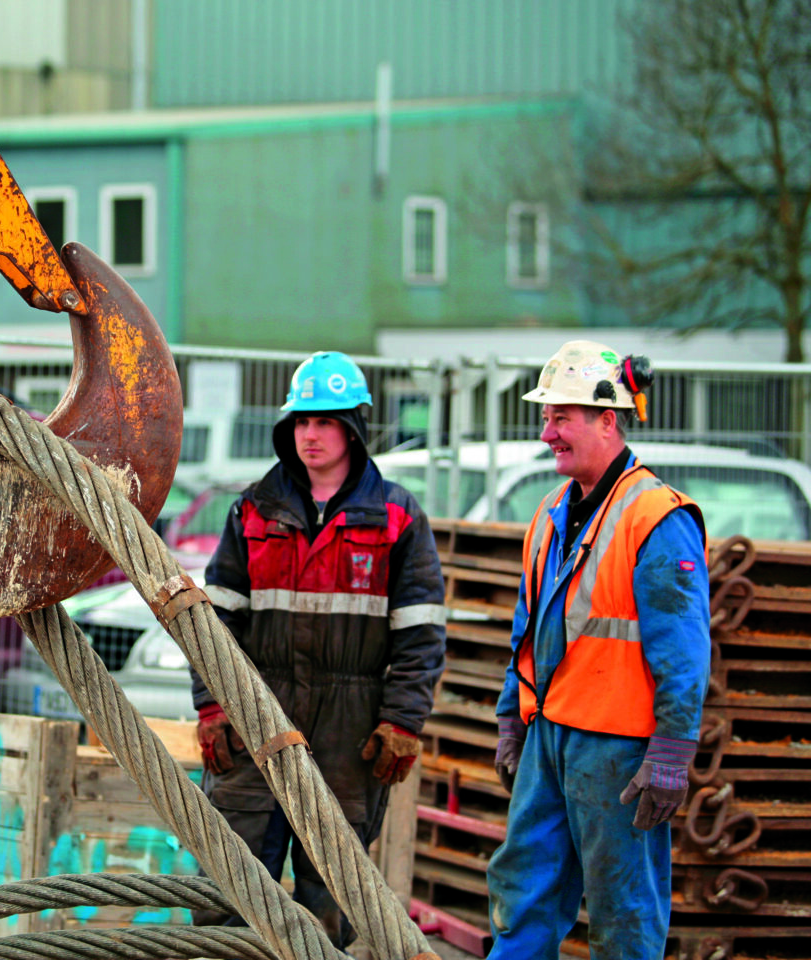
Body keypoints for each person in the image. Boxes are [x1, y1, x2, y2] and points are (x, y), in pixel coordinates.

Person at [190, 350, 446, 947]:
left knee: (331, 900)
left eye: (326, 421)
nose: (311, 434)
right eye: (302, 422)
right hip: (257, 714)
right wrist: (211, 705)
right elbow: (213, 623)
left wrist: (402, 719)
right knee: (228, 884)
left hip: (349, 730)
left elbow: (420, 633)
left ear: (353, 428)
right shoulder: (252, 510)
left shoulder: (398, 519)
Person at [486, 340, 710, 958]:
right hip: (551, 736)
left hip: (618, 750)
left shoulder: (657, 518)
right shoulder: (553, 513)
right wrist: (513, 714)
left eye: (561, 416)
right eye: (545, 416)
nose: (546, 432)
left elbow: (683, 652)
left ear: (607, 420)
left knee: (623, 913)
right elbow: (528, 630)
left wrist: (671, 751)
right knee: (522, 894)